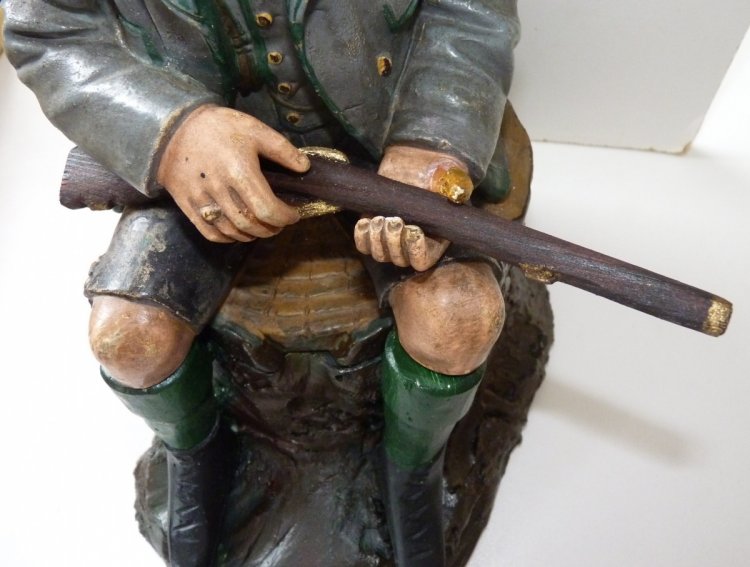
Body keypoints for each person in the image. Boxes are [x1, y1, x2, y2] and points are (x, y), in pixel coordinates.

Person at [4, 1, 519, 565]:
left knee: (458, 319)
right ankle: (196, 457)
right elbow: (48, 33)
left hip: (384, 153)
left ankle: (413, 472)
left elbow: (469, 14)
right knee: (127, 339)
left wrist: (434, 138)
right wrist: (170, 131)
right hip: (198, 174)